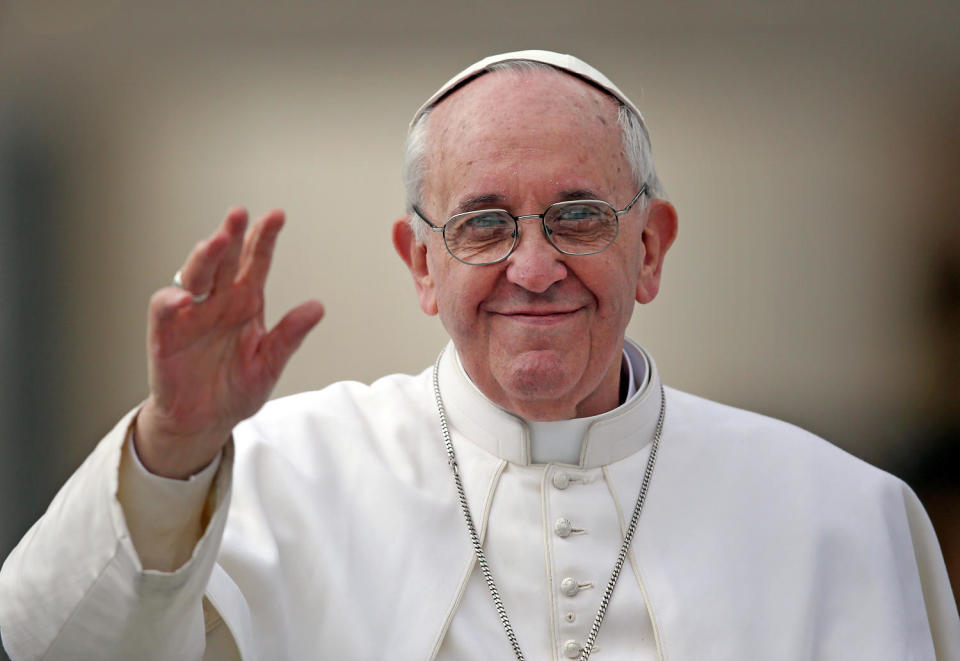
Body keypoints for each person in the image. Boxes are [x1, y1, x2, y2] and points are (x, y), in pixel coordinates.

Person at [1, 50, 957, 661]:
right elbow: (52, 644)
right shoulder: (284, 473)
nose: (533, 267)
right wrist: (172, 445)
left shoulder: (838, 514)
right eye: (484, 224)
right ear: (422, 264)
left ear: (651, 247)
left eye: (578, 215)